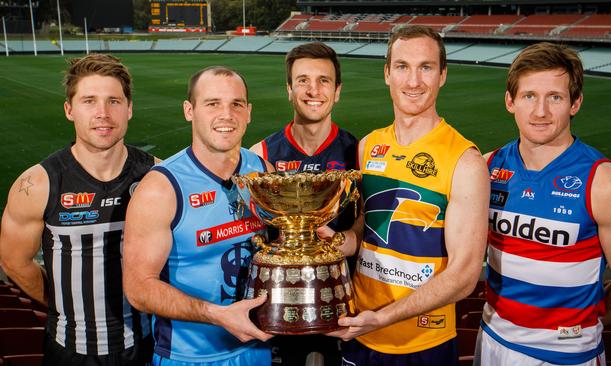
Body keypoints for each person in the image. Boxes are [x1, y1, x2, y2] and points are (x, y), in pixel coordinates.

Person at [323, 25, 490, 365]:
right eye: (402, 66)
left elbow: (464, 276)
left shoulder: (465, 161)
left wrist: (383, 317)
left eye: (425, 67)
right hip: (359, 331)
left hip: (423, 343)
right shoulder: (369, 146)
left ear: (442, 75)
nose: (413, 81)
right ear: (387, 73)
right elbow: (368, 227)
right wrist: (336, 240)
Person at [475, 42, 611, 365]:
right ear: (510, 101)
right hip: (491, 341)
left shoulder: (607, 183)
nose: (540, 111)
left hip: (567, 355)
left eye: (555, 97)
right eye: (529, 96)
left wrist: (575, 328)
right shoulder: (486, 168)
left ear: (575, 103)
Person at [0, 54, 155, 365]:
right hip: (69, 350)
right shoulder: (38, 183)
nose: (102, 113)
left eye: (114, 101)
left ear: (129, 109)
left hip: (145, 346)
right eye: (89, 101)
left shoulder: (157, 177)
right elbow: (14, 261)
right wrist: (62, 303)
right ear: (69, 110)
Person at [122, 66, 274, 365]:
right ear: (189, 110)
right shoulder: (161, 187)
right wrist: (217, 316)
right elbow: (139, 289)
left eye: (236, 104)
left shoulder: (263, 170)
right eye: (212, 103)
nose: (226, 114)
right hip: (189, 357)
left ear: (249, 112)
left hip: (257, 351)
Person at [249, 42, 358, 366]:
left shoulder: (358, 153)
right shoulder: (261, 156)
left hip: (338, 309)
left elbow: (364, 225)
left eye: (324, 80)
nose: (313, 90)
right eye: (303, 80)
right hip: (278, 310)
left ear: (337, 91)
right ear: (289, 88)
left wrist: (339, 241)